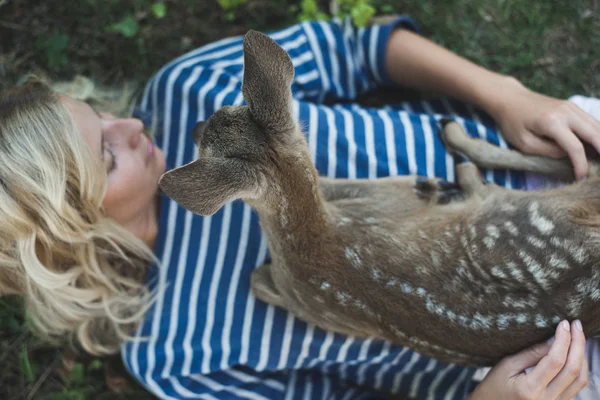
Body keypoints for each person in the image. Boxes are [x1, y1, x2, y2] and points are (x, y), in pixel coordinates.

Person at [2, 15, 599, 400]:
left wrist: (510, 96)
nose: (129, 123)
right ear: (67, 231)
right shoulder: (174, 352)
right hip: (550, 357)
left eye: (101, 114)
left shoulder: (187, 90)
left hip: (559, 159)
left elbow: (358, 48)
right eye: (108, 154)